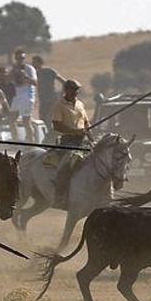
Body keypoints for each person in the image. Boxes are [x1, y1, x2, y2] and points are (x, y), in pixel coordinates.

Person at [51, 79, 92, 207]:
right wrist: (74, 131)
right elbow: (57, 126)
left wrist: (91, 138)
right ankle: (60, 196)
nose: (75, 92)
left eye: (77, 90)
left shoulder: (80, 104)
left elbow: (86, 123)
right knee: (67, 165)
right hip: (68, 141)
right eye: (73, 90)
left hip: (83, 141)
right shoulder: (59, 105)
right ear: (66, 90)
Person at [10, 49, 38, 142]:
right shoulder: (13, 69)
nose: (20, 60)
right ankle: (15, 141)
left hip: (27, 97)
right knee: (11, 119)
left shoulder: (29, 69)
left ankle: (31, 142)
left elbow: (35, 82)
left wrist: (25, 76)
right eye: (18, 58)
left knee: (26, 121)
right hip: (16, 96)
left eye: (22, 58)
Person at [33, 55, 65, 122]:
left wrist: (61, 95)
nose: (33, 64)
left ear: (39, 62)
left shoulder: (48, 71)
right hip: (43, 100)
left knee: (49, 118)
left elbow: (64, 82)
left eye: (34, 62)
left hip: (51, 99)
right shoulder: (35, 73)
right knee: (43, 119)